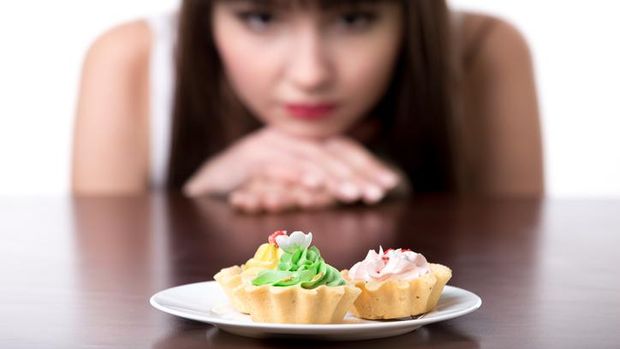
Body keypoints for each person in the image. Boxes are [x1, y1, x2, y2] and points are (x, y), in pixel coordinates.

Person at [72, 0, 544, 213]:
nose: (310, 73)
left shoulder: (482, 52)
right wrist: (201, 192)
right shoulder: (132, 60)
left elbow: (520, 263)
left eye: (354, 18)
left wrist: (396, 195)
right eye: (260, 17)